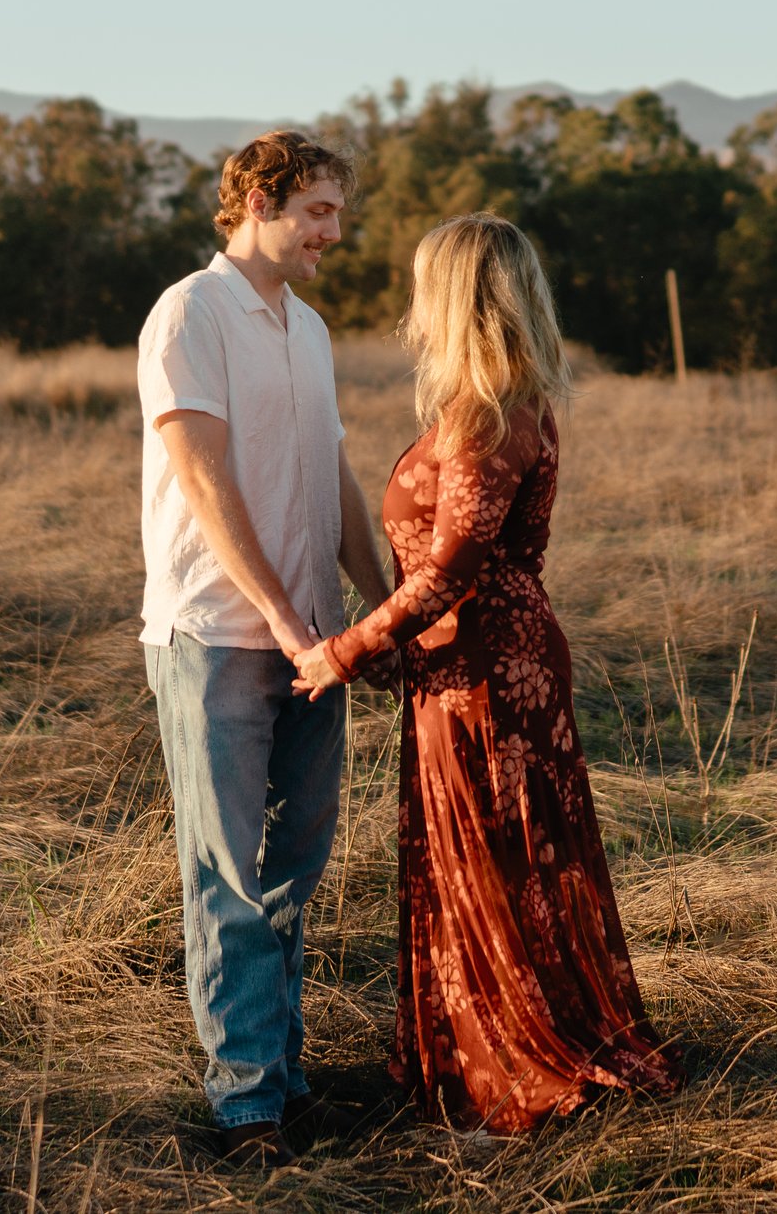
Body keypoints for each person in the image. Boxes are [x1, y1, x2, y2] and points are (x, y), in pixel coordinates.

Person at [291, 212, 683, 1134]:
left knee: (497, 862)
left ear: (458, 296)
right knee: (490, 859)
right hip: (475, 664)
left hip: (489, 676)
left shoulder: (487, 413)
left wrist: (345, 651)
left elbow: (452, 569)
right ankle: (482, 1045)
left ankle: (518, 1053)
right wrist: (393, 649)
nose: (412, 305)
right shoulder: (500, 402)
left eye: (426, 286)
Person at [137, 130, 391, 1168]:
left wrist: (387, 605)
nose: (336, 230)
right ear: (255, 198)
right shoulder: (190, 312)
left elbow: (331, 481)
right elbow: (201, 479)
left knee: (295, 872)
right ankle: (245, 1107)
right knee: (229, 879)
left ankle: (283, 1074)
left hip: (316, 643)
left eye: (337, 210)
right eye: (317, 211)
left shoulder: (313, 328)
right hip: (220, 636)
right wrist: (285, 621)